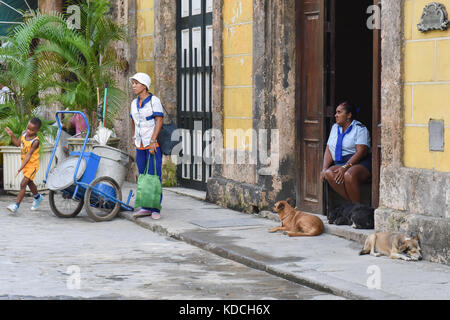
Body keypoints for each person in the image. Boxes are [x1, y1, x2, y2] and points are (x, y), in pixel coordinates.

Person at [320, 101, 371, 204]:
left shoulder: (360, 128)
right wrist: (324, 168)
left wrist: (345, 167)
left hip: (359, 162)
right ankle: (357, 206)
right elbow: (329, 149)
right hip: (341, 162)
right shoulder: (335, 128)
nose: (335, 115)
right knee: (329, 173)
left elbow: (361, 152)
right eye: (336, 112)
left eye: (339, 112)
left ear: (349, 115)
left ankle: (357, 208)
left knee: (349, 175)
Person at [129, 72, 164, 220]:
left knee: (154, 175)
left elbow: (159, 121)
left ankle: (155, 207)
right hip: (140, 144)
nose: (134, 86)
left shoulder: (154, 101)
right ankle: (145, 207)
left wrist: (152, 141)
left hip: (152, 144)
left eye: (136, 83)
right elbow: (133, 121)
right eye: (133, 83)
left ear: (144, 86)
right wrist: (133, 136)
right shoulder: (133, 103)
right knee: (143, 175)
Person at [5, 117, 45, 213]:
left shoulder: (35, 141)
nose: (29, 131)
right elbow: (17, 144)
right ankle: (37, 197)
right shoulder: (24, 134)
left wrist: (19, 169)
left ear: (37, 130)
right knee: (29, 182)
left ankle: (16, 205)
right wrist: (12, 135)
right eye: (28, 128)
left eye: (31, 130)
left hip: (32, 165)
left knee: (23, 184)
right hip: (26, 165)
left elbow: (28, 156)